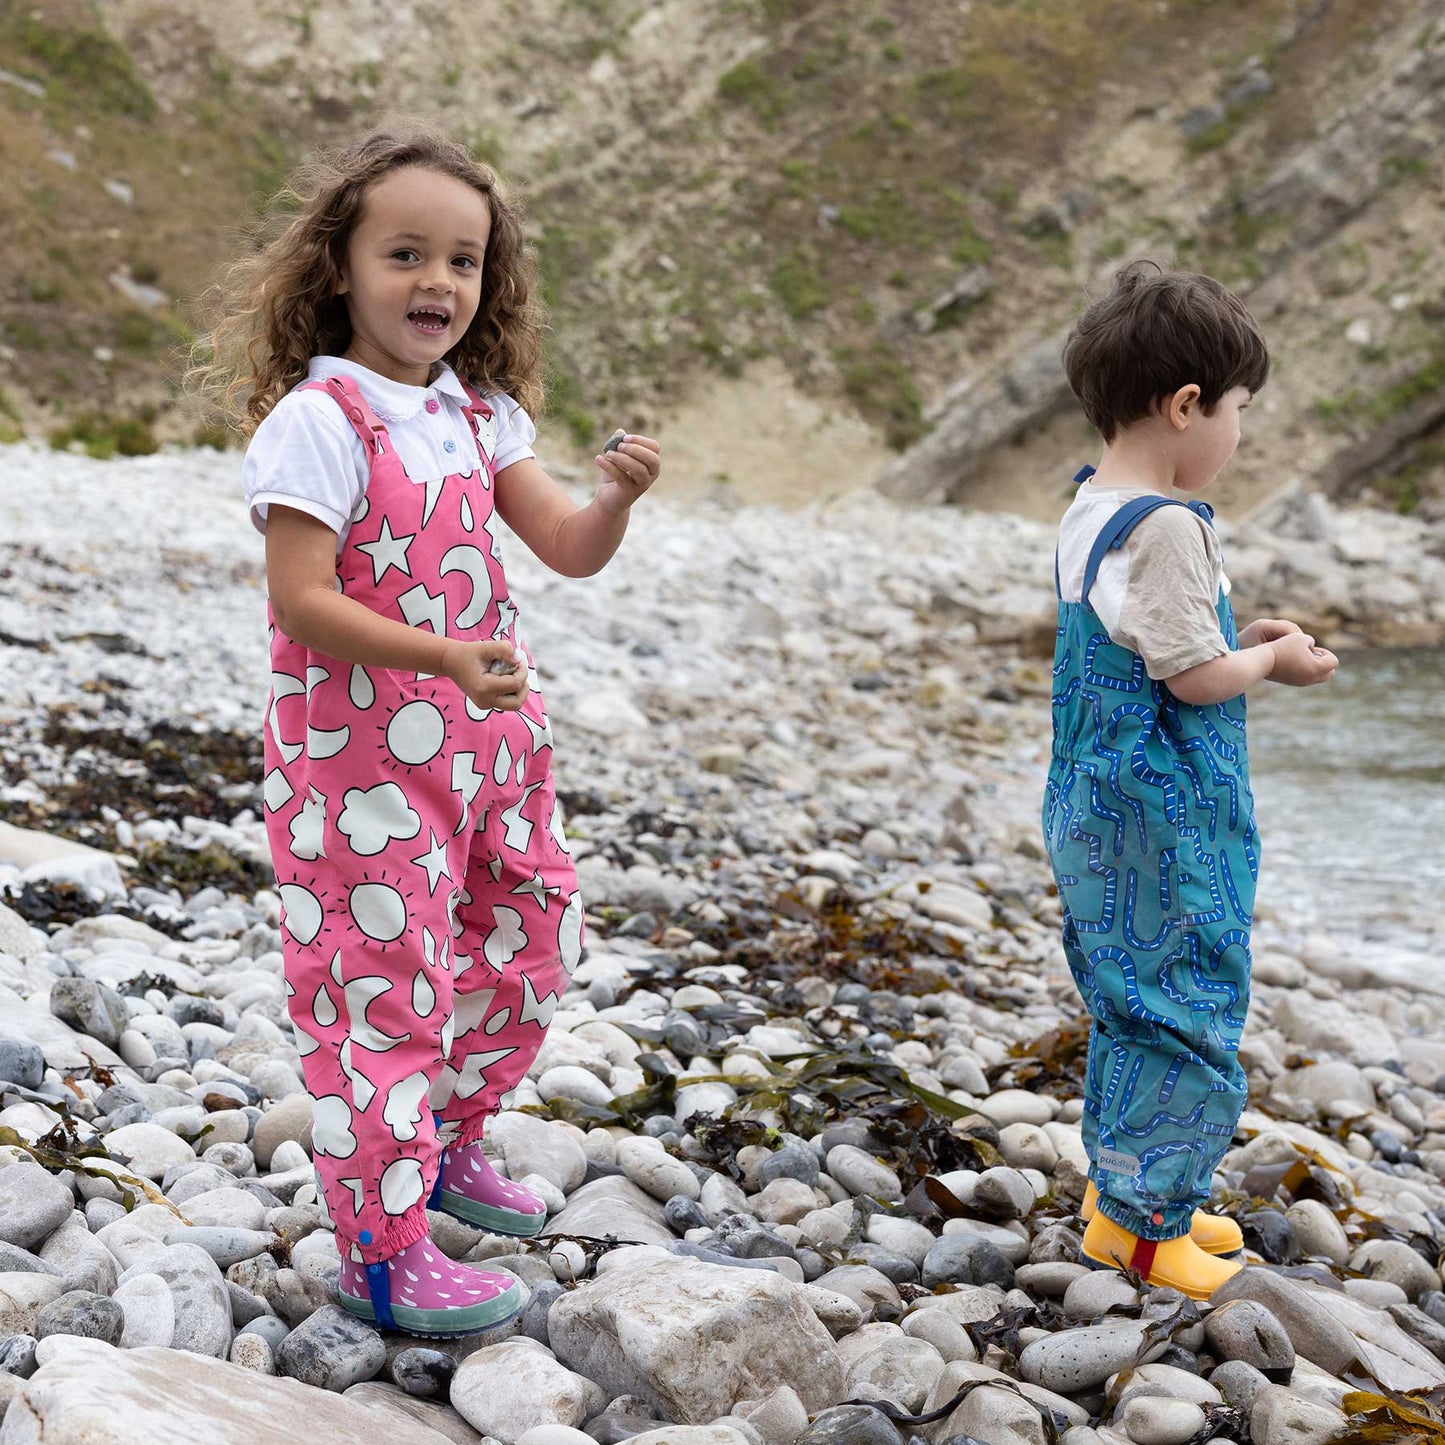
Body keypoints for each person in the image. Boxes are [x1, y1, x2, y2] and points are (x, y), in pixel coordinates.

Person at [199, 122, 661, 1335]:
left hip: (492, 748)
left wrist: (610, 496)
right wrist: (444, 656)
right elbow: (302, 600)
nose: (436, 283)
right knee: (383, 997)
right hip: (359, 772)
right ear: (339, 268)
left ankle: (448, 1144)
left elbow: (564, 546)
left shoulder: (476, 414)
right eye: (404, 253)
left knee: (528, 933)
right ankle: (381, 1249)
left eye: (462, 261)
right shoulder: (320, 420)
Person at [1042, 261, 1337, 1299]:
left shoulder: (1091, 507)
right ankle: (1146, 1228)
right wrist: (1269, 659)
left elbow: (1142, 638)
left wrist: (1228, 632)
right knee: (1187, 1004)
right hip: (1163, 820)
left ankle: (1121, 1200)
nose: (1238, 434)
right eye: (1238, 411)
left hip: (1090, 807)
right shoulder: (1168, 522)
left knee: (1129, 1000)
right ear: (1183, 407)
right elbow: (1194, 677)